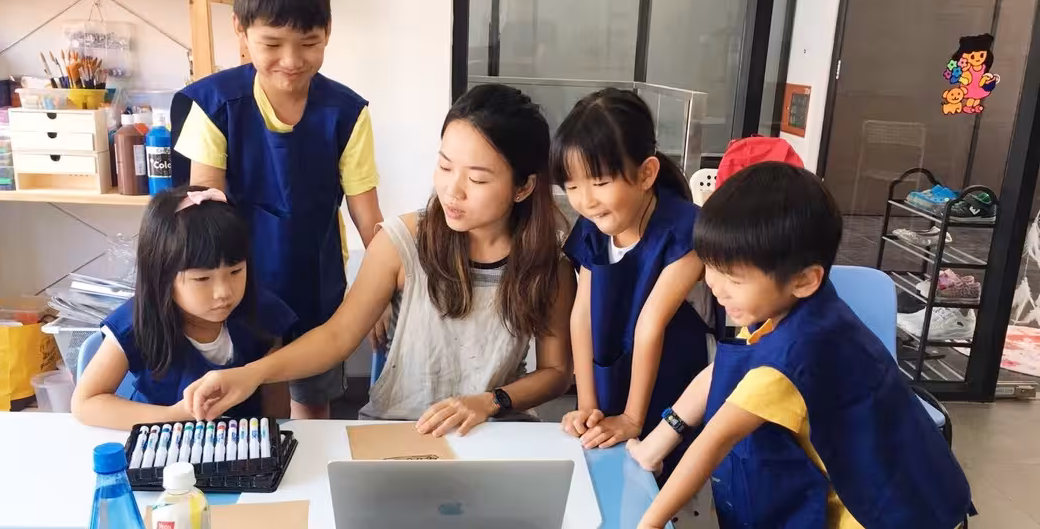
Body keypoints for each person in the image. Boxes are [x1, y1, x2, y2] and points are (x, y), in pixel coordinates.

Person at [182, 84, 576, 437]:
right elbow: (336, 337)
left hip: (494, 432)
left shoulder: (548, 259)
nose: (451, 190)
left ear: (523, 187)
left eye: (477, 179)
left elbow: (556, 373)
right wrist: (249, 376)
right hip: (400, 432)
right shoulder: (403, 241)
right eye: (444, 166)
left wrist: (490, 402)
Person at [627, 163, 972, 528]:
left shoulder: (790, 361)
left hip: (893, 514)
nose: (715, 285)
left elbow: (712, 442)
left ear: (805, 279)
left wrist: (645, 524)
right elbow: (720, 374)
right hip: (919, 482)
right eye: (710, 266)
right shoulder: (795, 305)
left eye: (733, 278)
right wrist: (654, 446)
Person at [170, 0, 385, 420]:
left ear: (328, 32)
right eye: (272, 44)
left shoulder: (347, 114)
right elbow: (207, 214)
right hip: (238, 287)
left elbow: (367, 217)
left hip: (316, 280)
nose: (292, 60)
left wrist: (383, 290)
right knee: (252, 405)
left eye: (309, 43)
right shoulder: (213, 107)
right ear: (241, 34)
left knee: (313, 404)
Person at [551, 88, 711, 453]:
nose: (585, 201)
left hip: (674, 379)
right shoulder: (594, 225)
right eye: (572, 186)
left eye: (600, 182)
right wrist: (587, 404)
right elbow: (582, 317)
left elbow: (650, 324)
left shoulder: (686, 230)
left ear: (646, 173)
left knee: (661, 469)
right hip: (615, 372)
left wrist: (633, 418)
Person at [71, 187, 294, 430]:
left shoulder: (263, 312)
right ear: (162, 275)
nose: (224, 292)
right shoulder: (137, 322)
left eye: (235, 272)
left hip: (240, 451)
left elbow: (277, 408)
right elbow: (86, 403)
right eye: (202, 279)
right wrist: (173, 416)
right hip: (160, 447)